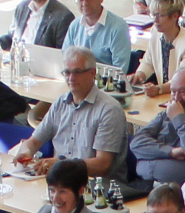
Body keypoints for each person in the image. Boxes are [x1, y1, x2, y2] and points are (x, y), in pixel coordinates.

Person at [15, 48, 131, 179]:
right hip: (62, 180)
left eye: (77, 72)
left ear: (93, 73)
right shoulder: (60, 103)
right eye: (67, 72)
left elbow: (103, 165)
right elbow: (34, 142)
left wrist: (63, 165)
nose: (71, 78)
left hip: (97, 186)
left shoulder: (109, 109)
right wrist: (26, 152)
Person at [128, 64, 185, 188]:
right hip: (144, 186)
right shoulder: (166, 113)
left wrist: (179, 119)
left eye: (183, 92)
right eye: (173, 92)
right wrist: (171, 152)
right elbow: (136, 143)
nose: (176, 98)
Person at [137, 0, 185, 94]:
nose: (155, 20)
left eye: (161, 15)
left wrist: (158, 89)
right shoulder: (155, 32)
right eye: (154, 15)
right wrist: (139, 75)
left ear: (175, 16)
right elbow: (148, 62)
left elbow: (181, 80)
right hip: (169, 94)